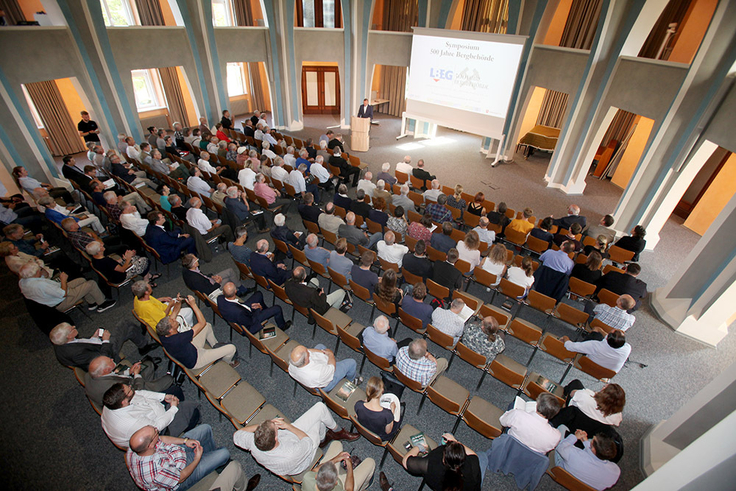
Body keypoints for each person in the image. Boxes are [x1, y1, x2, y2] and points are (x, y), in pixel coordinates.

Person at [233, 402, 359, 477]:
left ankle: (326, 436)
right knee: (319, 419)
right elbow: (306, 441)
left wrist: (264, 426)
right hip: (303, 456)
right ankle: (334, 433)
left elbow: (237, 435)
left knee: (320, 409)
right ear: (276, 438)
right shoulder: (291, 453)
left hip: (288, 440)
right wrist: (288, 426)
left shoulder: (254, 442)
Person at [127, 424, 239, 491]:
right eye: (155, 431)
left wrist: (185, 441)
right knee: (224, 453)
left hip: (173, 454)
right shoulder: (155, 473)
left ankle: (213, 461)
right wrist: (197, 459)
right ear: (150, 445)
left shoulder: (133, 449)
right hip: (180, 474)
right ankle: (217, 463)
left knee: (206, 428)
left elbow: (161, 439)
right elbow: (182, 477)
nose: (157, 429)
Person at [101, 383, 200, 449]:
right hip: (155, 434)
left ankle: (181, 414)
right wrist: (173, 408)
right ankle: (186, 432)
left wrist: (163, 397)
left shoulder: (113, 403)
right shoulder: (131, 422)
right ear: (124, 402)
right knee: (193, 411)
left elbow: (139, 394)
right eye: (129, 389)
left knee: (176, 390)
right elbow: (157, 426)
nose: (131, 387)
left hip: (151, 412)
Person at [157, 295, 238, 369]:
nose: (175, 319)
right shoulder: (179, 339)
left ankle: (215, 346)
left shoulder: (163, 332)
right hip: (196, 360)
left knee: (207, 326)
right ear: (170, 330)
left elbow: (174, 312)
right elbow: (202, 322)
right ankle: (227, 365)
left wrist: (179, 301)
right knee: (231, 348)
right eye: (173, 321)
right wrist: (193, 305)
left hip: (191, 348)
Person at [49, 321, 157, 370]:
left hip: (96, 348)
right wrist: (105, 340)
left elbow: (83, 344)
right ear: (68, 336)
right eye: (71, 329)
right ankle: (142, 343)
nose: (74, 326)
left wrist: (94, 337)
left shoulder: (61, 342)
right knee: (124, 325)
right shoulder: (75, 353)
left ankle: (141, 341)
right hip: (107, 356)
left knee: (128, 329)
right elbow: (103, 358)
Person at [19, 262, 116, 313]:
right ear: (36, 273)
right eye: (39, 270)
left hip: (55, 292)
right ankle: (102, 303)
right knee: (91, 283)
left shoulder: (23, 281)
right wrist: (63, 280)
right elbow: (63, 294)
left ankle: (92, 303)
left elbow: (45, 275)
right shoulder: (41, 285)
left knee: (81, 280)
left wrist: (41, 270)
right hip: (62, 300)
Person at [85, 355, 178, 408]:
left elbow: (112, 375)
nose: (112, 359)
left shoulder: (91, 374)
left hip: (127, 384)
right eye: (110, 361)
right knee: (168, 379)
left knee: (148, 365)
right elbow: (136, 391)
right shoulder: (112, 388)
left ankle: (148, 380)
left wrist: (128, 372)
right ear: (106, 369)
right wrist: (136, 374)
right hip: (133, 394)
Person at [552, 381, 626, 436]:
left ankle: (563, 394)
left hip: (571, 421)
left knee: (576, 383)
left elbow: (573, 394)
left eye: (604, 388)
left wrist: (592, 393)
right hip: (589, 432)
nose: (603, 387)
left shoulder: (585, 397)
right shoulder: (617, 416)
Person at [554, 430, 621, 490]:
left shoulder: (574, 453)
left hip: (562, 472)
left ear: (594, 449)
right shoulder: (615, 471)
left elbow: (561, 448)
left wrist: (574, 437)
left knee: (562, 429)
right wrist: (586, 442)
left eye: (593, 440)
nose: (591, 440)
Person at [217, 281, 290, 334]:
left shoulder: (220, 298)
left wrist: (249, 306)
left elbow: (238, 306)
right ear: (235, 291)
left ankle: (265, 310)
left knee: (258, 294)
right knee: (277, 308)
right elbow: (251, 321)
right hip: (250, 322)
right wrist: (257, 309)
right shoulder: (239, 312)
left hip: (242, 309)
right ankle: (282, 326)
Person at [302, 443, 375, 491]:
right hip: (344, 486)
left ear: (316, 476)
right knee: (370, 462)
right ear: (336, 482)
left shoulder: (307, 478)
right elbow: (349, 489)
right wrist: (349, 466)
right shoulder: (338, 488)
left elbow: (314, 470)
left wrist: (336, 459)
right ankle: (363, 487)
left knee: (336, 444)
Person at [288, 344, 359, 392]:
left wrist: (324, 352)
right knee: (351, 363)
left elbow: (309, 351)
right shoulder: (317, 373)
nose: (308, 350)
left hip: (315, 376)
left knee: (320, 346)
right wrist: (330, 354)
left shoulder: (292, 364)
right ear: (306, 359)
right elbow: (332, 368)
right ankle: (351, 381)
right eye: (307, 352)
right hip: (326, 383)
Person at [354, 375, 403, 443]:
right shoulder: (388, 414)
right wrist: (393, 410)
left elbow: (357, 417)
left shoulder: (358, 404)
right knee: (398, 417)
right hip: (380, 436)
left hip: (364, 427)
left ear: (368, 391)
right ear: (382, 391)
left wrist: (365, 402)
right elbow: (388, 431)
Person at [560, 330, 631, 373]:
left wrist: (566, 338)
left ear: (606, 338)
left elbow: (570, 347)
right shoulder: (628, 348)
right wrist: (601, 330)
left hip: (589, 366)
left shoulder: (595, 345)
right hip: (606, 374)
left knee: (594, 336)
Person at [86, 241, 153, 285]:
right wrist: (128, 259)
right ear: (98, 251)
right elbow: (122, 269)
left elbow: (112, 266)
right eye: (100, 246)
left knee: (135, 257)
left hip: (113, 274)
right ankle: (146, 280)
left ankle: (148, 276)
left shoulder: (95, 259)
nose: (102, 245)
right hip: (120, 276)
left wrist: (123, 259)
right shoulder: (106, 260)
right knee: (144, 260)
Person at [181, 253, 246, 297]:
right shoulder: (196, 280)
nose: (198, 260)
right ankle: (238, 292)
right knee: (229, 281)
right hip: (213, 289)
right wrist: (217, 283)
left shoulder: (188, 269)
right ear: (194, 264)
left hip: (208, 281)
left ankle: (240, 288)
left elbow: (202, 275)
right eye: (196, 260)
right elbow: (209, 292)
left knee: (230, 271)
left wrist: (211, 276)